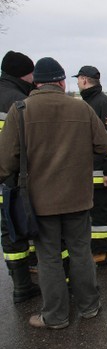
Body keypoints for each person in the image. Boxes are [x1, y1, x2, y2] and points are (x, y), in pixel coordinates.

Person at [0, 57, 107, 329]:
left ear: (36, 82)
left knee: (48, 257)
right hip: (78, 198)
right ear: (62, 82)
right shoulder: (81, 108)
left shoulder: (21, 110)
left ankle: (56, 316)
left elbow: (6, 162)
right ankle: (89, 307)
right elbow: (105, 144)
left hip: (40, 201)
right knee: (81, 252)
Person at [74, 66, 107, 264]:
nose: (77, 83)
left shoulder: (102, 103)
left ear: (85, 80)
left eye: (78, 79)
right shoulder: (89, 102)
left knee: (98, 214)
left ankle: (98, 254)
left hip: (101, 172)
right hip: (91, 170)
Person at [0, 50, 40, 303]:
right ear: (24, 74)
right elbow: (23, 147)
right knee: (25, 226)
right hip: (14, 179)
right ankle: (25, 286)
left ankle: (21, 284)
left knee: (10, 231)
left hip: (5, 179)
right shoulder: (17, 103)